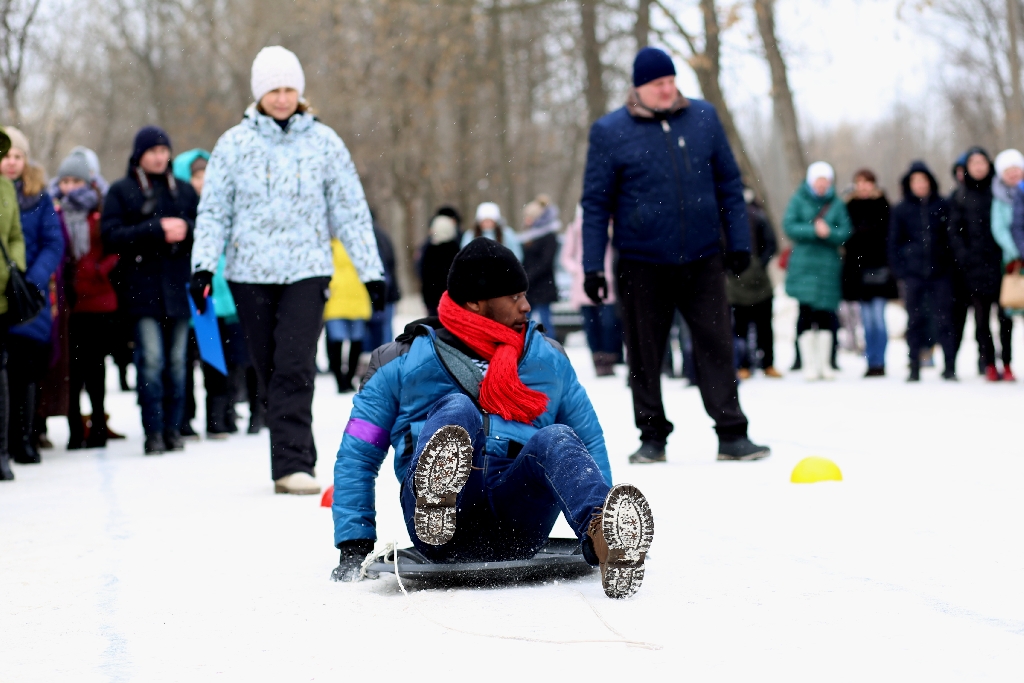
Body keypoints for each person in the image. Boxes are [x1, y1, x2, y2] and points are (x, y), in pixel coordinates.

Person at [331, 239, 654, 599]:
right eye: (514, 297)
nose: (526, 305)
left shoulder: (547, 359)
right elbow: (358, 452)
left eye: (524, 295)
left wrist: (597, 501)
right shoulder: (400, 361)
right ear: (474, 302)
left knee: (558, 437)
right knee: (457, 408)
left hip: (518, 517)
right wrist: (354, 544)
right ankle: (437, 495)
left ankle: (607, 537)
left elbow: (588, 442)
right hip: (437, 530)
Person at [192, 46, 385, 495]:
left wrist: (371, 272)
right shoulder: (234, 144)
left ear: (300, 92)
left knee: (295, 365)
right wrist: (203, 265)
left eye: (289, 89)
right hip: (249, 272)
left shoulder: (324, 142)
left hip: (307, 270)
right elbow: (215, 210)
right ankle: (289, 453)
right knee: (268, 370)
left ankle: (293, 464)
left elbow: (350, 210)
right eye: (273, 90)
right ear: (259, 93)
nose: (282, 98)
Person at [581, 46, 768, 464]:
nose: (667, 90)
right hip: (641, 262)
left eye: (671, 81)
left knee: (716, 345)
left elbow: (729, 184)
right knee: (644, 353)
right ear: (638, 88)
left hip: (703, 257)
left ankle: (732, 433)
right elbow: (595, 203)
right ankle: (652, 437)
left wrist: (740, 243)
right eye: (657, 84)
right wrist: (593, 266)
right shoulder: (610, 131)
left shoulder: (703, 118)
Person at [102, 125, 199, 455]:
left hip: (179, 288)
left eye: (163, 150)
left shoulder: (184, 191)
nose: (159, 157)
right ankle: (153, 431)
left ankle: (174, 429)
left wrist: (187, 230)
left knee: (178, 363)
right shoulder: (121, 190)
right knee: (151, 361)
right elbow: (110, 236)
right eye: (152, 151)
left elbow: (207, 230)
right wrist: (155, 230)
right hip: (141, 291)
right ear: (139, 155)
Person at [0, 128, 63, 465]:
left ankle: (24, 437)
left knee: (26, 369)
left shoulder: (40, 197)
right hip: (2, 290)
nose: (11, 162)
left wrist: (32, 279)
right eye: (6, 155)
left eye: (17, 156)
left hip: (28, 293)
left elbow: (54, 242)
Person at [55, 150, 119, 448]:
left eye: (76, 181)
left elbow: (114, 249)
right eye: (65, 181)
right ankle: (74, 428)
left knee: (95, 367)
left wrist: (98, 269)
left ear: (87, 182)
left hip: (97, 300)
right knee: (71, 369)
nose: (70, 187)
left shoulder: (100, 211)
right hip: (69, 302)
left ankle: (98, 426)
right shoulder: (55, 213)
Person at [783, 162, 853, 381]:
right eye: (818, 181)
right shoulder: (798, 199)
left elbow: (845, 231)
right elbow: (789, 226)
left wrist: (829, 232)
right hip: (804, 265)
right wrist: (813, 230)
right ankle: (807, 363)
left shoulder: (837, 204)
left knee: (826, 314)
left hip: (827, 266)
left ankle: (826, 364)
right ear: (811, 181)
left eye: (825, 181)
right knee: (805, 313)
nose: (822, 185)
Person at [889, 161, 957, 381]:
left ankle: (949, 366)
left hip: (941, 273)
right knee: (915, 321)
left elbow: (951, 238)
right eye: (915, 181)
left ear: (930, 182)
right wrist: (901, 270)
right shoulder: (901, 209)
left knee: (945, 320)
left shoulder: (943, 205)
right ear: (909, 184)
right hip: (913, 274)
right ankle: (914, 367)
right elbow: (893, 243)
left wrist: (950, 265)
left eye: (923, 180)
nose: (920, 184)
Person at [948, 148, 1009, 382]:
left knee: (1005, 318)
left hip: (1001, 264)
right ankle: (988, 363)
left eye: (982, 161)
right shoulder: (960, 195)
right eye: (973, 162)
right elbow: (954, 231)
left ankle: (1007, 362)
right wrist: (965, 257)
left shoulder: (999, 191)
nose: (978, 166)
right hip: (973, 268)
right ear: (967, 168)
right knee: (981, 320)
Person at [842, 169, 898, 377]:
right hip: (858, 271)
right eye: (859, 182)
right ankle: (870, 361)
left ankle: (880, 361)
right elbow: (846, 237)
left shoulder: (883, 205)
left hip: (879, 268)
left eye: (867, 182)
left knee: (878, 319)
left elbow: (887, 236)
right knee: (866, 320)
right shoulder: (848, 207)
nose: (863, 187)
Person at [173, 150, 211, 440]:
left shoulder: (217, 206)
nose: (202, 181)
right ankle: (184, 417)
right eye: (196, 176)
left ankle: (218, 414)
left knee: (213, 356)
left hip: (212, 296)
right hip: (182, 290)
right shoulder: (180, 203)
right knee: (183, 359)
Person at [560, 204, 622, 376]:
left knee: (608, 324)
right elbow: (566, 256)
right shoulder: (574, 229)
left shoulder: (610, 225)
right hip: (584, 282)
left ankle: (610, 358)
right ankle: (598, 361)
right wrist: (578, 270)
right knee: (591, 325)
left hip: (607, 281)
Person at [727, 188, 779, 379]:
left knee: (764, 326)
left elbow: (771, 243)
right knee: (740, 326)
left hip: (759, 281)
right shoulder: (726, 217)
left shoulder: (758, 215)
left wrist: (759, 264)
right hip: (736, 281)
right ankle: (743, 365)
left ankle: (768, 364)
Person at [0, 128, 25, 481]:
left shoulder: (6, 187)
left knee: (0, 373)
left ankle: (2, 453)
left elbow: (16, 235)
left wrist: (14, 267)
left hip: (1, 297)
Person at [990, 149, 1024, 379]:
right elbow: (999, 228)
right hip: (1011, 263)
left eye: (1016, 169)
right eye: (1008, 170)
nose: (1013, 174)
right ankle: (1005, 363)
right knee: (1007, 316)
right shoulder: (998, 197)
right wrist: (1016, 252)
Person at [324, 240, 371, 393]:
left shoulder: (354, 244)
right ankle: (343, 379)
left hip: (350, 297)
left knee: (352, 342)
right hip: (345, 297)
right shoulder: (356, 244)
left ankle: (346, 379)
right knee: (342, 342)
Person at [519, 194, 561, 337]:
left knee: (545, 322)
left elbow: (546, 262)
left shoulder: (549, 236)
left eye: (530, 217)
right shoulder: (528, 236)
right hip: (529, 288)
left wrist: (529, 276)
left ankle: (550, 347)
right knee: (524, 323)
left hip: (543, 286)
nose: (527, 220)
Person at [364, 217, 400, 351]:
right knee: (385, 328)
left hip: (377, 290)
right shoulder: (383, 235)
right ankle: (385, 355)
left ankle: (375, 356)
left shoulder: (368, 236)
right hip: (387, 291)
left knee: (374, 328)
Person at [418, 207, 462, 316]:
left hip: (434, 299)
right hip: (451, 299)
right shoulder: (456, 249)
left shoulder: (428, 250)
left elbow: (423, 275)